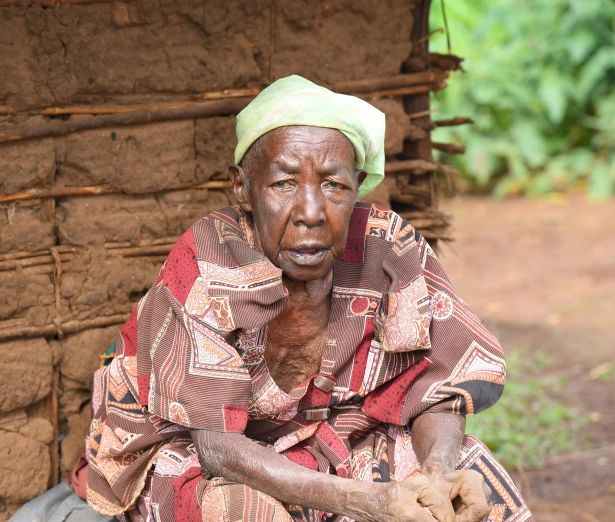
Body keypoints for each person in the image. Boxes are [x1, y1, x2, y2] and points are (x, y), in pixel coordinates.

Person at [85, 75, 533, 522]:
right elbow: (218, 448)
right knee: (241, 512)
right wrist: (367, 502)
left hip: (334, 439)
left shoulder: (389, 248)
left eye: (334, 186)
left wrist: (437, 472)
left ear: (357, 185)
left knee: (469, 482)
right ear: (241, 187)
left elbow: (435, 390)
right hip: (200, 455)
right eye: (283, 184)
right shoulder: (207, 261)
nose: (311, 213)